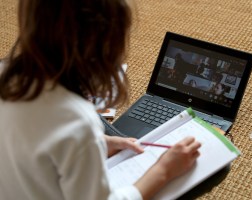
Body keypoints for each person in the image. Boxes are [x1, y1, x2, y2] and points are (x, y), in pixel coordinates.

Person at [0, 1, 201, 200]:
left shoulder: (4, 73)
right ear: (105, 49)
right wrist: (163, 171)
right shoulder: (77, 121)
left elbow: (32, 134)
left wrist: (103, 143)